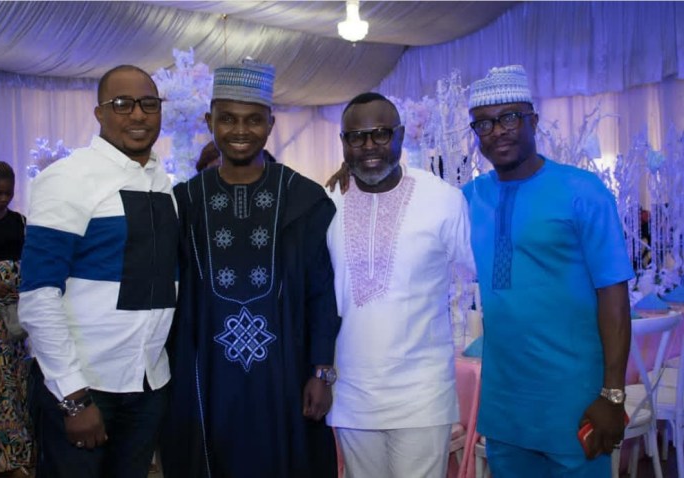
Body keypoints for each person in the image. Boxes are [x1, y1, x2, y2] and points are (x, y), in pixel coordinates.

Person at [160, 59, 341, 478]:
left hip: (287, 371)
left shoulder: (304, 199)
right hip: (205, 372)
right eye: (227, 119)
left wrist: (321, 371)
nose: (240, 130)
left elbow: (322, 292)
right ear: (210, 122)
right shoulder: (184, 202)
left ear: (271, 124)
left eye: (253, 119)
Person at [462, 65, 634, 476]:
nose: (497, 131)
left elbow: (614, 295)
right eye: (484, 123)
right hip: (505, 405)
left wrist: (612, 395)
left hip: (575, 398)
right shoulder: (468, 198)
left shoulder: (583, 191)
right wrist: (357, 178)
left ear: (533, 121)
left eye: (509, 118)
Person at [18, 65, 178, 478]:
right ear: (99, 113)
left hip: (148, 385)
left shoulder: (162, 183)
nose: (138, 114)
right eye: (122, 104)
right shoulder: (68, 178)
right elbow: (38, 295)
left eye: (149, 103)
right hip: (86, 388)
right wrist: (73, 397)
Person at [325, 92, 475, 478]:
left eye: (380, 134)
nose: (368, 146)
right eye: (356, 137)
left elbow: (475, 275)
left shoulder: (443, 200)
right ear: (343, 143)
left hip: (422, 393)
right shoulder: (328, 202)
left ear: (401, 136)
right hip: (352, 393)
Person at [0, 161, 32, 477]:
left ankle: (15, 456)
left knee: (15, 383)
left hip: (15, 314)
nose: (4, 198)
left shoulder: (19, 222)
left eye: (9, 193)